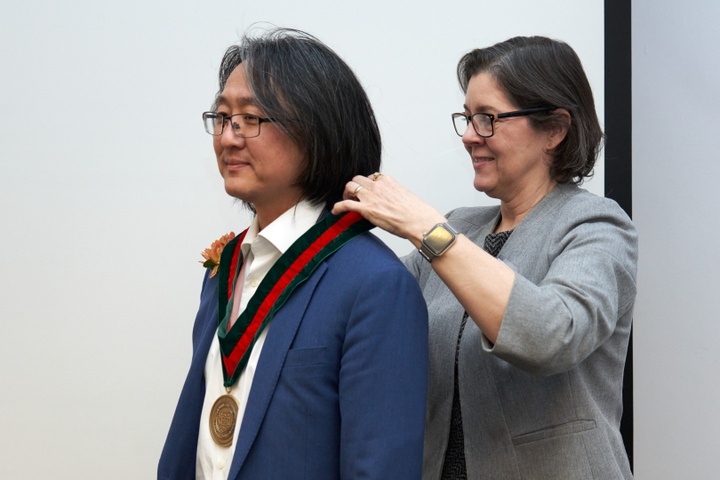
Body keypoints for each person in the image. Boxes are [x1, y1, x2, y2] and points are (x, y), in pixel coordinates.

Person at [333, 36, 637, 479]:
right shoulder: (462, 226)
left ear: (554, 128)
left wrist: (425, 228)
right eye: (468, 118)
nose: (470, 137)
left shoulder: (596, 224)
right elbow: (365, 306)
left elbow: (553, 335)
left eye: (488, 119)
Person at [158, 28, 429, 480]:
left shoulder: (374, 284)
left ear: (317, 130)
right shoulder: (223, 270)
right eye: (222, 117)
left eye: (251, 118)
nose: (228, 137)